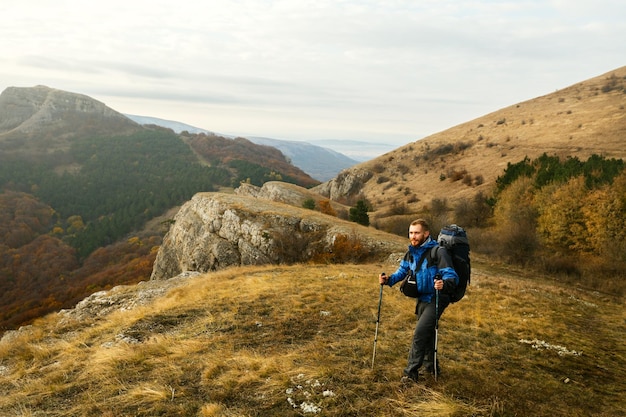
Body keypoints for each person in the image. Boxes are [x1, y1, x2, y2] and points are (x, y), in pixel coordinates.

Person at [378, 219, 458, 383]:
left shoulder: (438, 252)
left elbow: (451, 275)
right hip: (422, 298)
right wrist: (388, 280)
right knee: (426, 334)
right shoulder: (411, 253)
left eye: (417, 233)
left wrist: (444, 283)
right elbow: (402, 271)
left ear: (426, 234)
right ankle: (432, 367)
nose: (413, 237)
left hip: (437, 298)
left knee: (419, 334)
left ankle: (410, 373)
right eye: (411, 233)